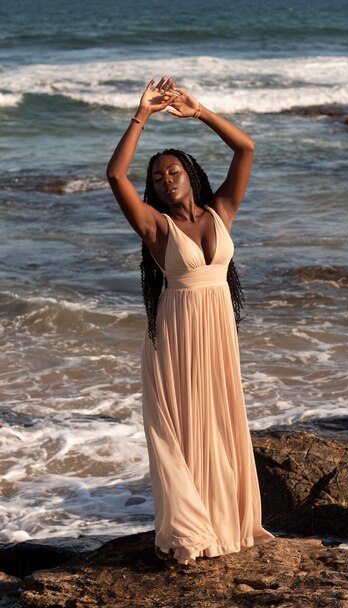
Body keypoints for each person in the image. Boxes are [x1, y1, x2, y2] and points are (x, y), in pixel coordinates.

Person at [107, 76, 274, 565]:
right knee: (185, 426)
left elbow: (245, 148)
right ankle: (191, 525)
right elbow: (116, 177)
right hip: (178, 332)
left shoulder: (221, 211)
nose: (166, 179)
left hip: (216, 329)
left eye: (173, 170)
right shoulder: (156, 226)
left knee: (220, 422)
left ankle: (226, 520)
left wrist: (200, 112)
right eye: (157, 176)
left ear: (190, 173)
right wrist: (141, 115)